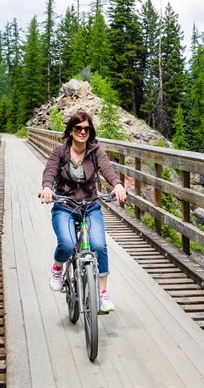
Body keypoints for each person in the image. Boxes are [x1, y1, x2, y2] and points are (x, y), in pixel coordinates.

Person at [40, 110, 127, 313]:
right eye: (78, 128)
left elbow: (107, 169)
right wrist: (46, 187)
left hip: (90, 204)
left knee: (99, 244)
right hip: (65, 205)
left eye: (86, 128)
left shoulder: (95, 151)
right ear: (71, 130)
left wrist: (117, 185)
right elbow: (50, 171)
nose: (82, 131)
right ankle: (57, 268)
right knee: (68, 244)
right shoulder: (60, 152)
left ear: (90, 131)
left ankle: (102, 293)